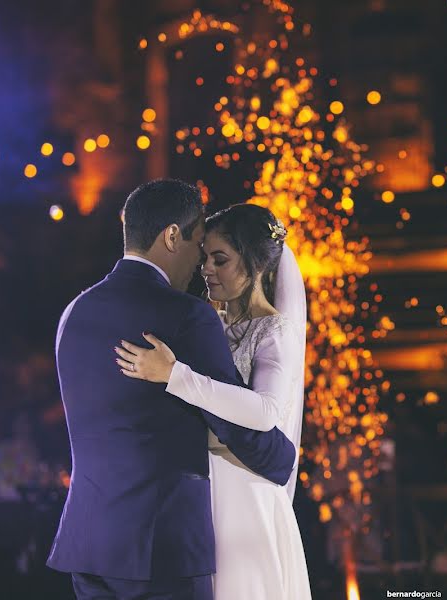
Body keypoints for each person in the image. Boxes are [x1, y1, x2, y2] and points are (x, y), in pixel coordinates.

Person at [47, 179, 297, 600]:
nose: (201, 263)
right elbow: (233, 425)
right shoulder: (187, 315)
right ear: (172, 236)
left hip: (87, 542)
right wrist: (284, 458)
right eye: (200, 245)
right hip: (159, 545)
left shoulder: (74, 312)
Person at [116, 203, 312, 599]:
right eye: (205, 257)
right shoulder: (207, 323)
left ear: (255, 264)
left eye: (220, 259)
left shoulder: (274, 331)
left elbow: (265, 412)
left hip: (246, 496)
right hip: (201, 489)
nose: (206, 268)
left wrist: (175, 375)